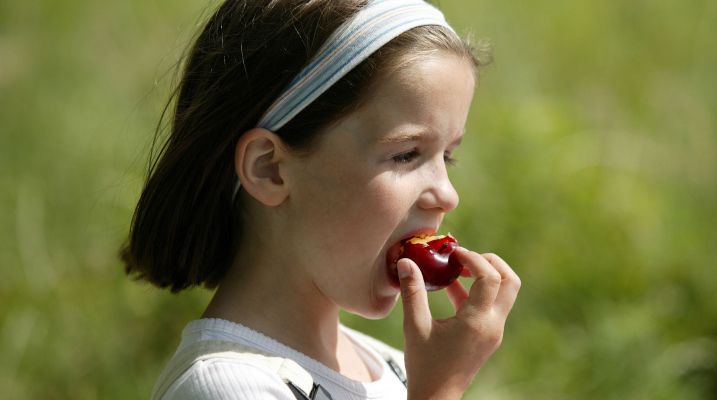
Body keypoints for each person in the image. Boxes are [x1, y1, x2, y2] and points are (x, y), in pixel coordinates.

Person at [120, 0, 521, 399]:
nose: (447, 195)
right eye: (406, 154)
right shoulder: (224, 386)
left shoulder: (395, 367)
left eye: (446, 156)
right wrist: (439, 391)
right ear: (269, 169)